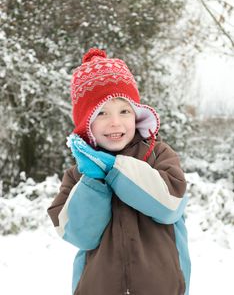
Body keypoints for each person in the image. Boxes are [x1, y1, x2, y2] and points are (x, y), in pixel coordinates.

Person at [47, 47, 191, 295]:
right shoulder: (78, 175)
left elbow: (169, 206)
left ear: (135, 115)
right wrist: (93, 180)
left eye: (124, 111)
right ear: (86, 122)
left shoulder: (158, 155)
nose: (115, 122)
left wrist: (114, 168)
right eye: (101, 113)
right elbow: (80, 235)